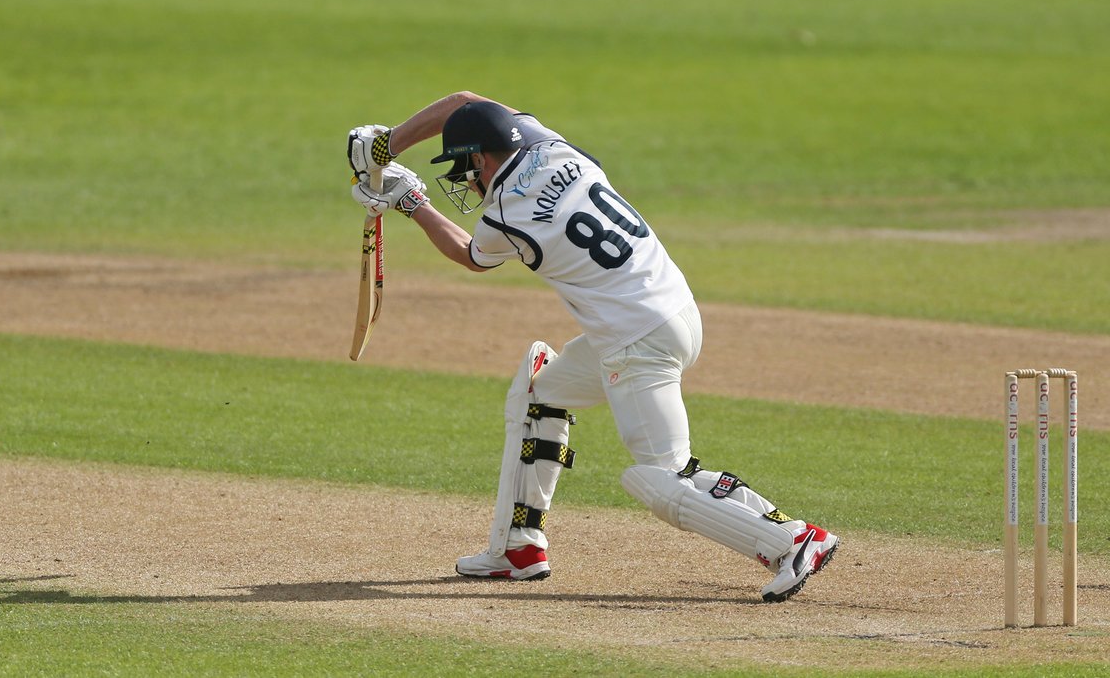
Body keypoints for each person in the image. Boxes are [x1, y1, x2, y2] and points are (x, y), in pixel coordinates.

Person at [346, 91, 838, 602]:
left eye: (467, 167)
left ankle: (792, 539)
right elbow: (469, 101)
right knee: (541, 392)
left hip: (636, 342)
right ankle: (517, 547)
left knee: (661, 478)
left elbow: (470, 256)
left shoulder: (505, 217)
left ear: (482, 157)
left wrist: (411, 202)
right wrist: (388, 143)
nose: (468, 180)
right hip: (675, 312)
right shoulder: (555, 147)